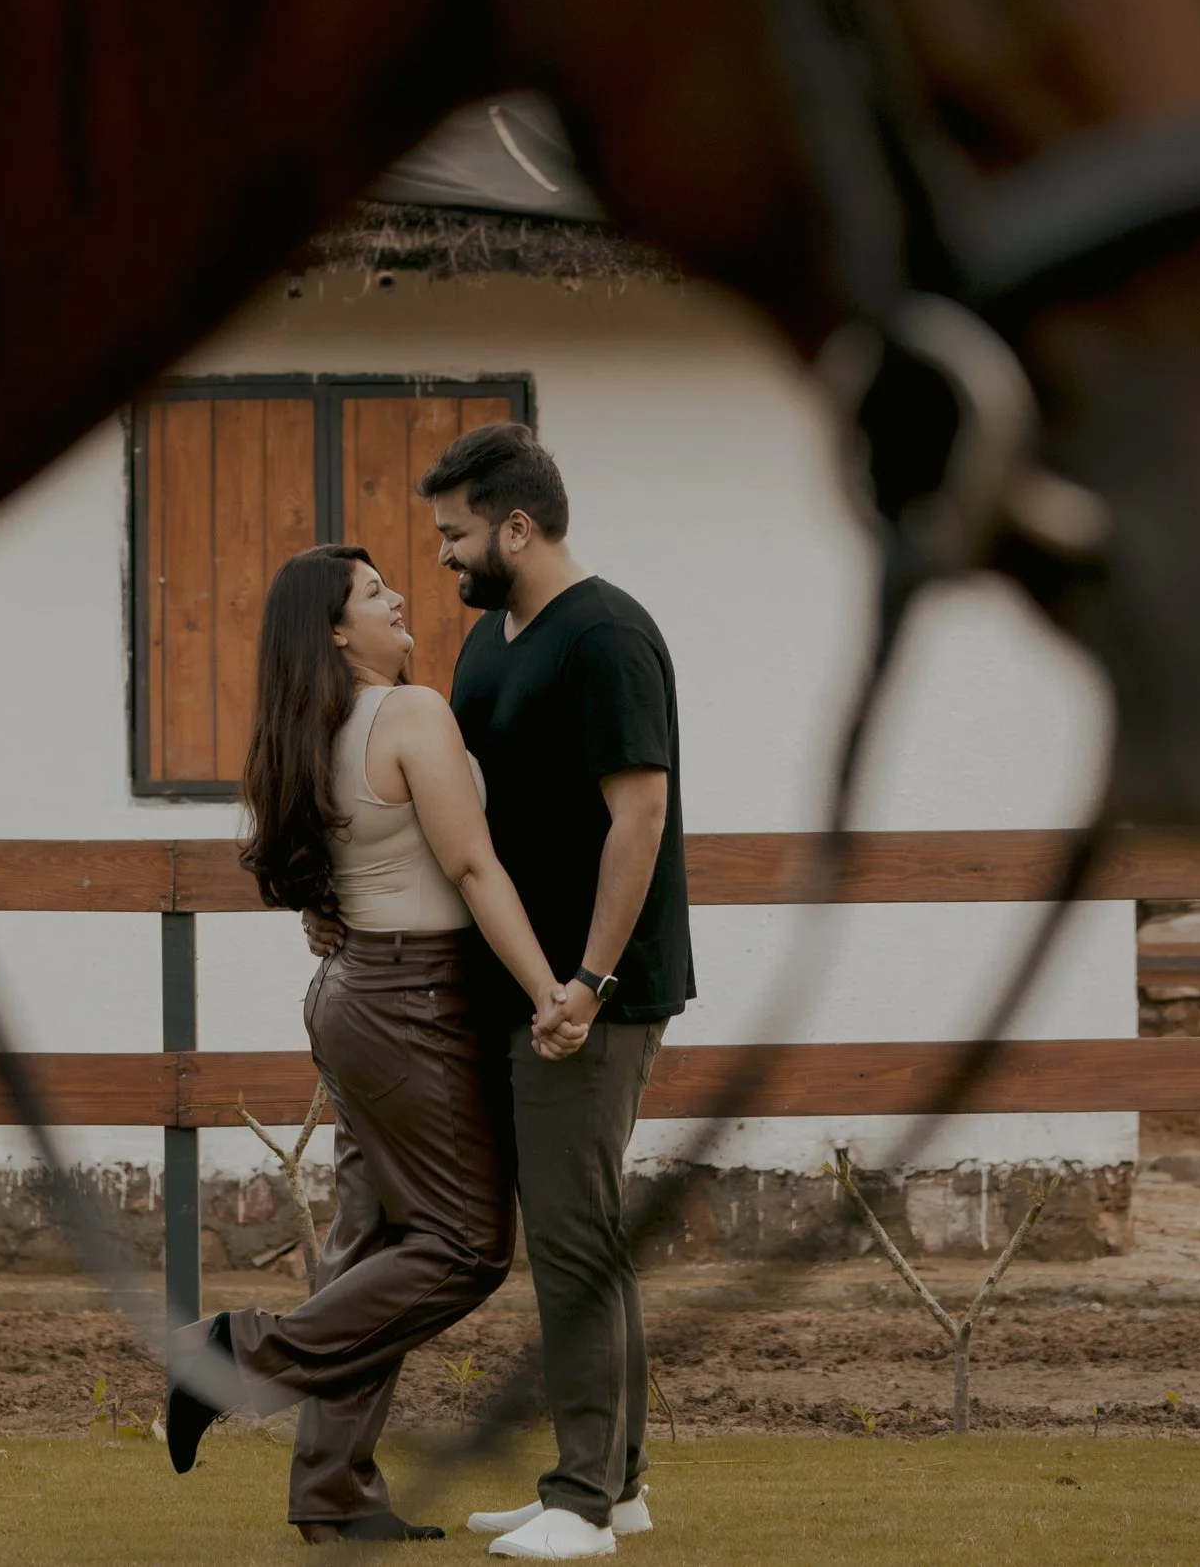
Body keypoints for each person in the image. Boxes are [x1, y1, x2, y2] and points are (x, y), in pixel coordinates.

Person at [164, 543, 570, 1544]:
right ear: (337, 632)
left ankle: (333, 1491)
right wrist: (546, 989)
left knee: (372, 1247)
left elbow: (326, 872)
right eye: (373, 593)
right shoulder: (410, 712)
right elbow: (470, 865)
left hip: (353, 997)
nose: (397, 600)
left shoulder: (307, 732)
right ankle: (233, 1355)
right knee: (467, 1247)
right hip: (413, 1000)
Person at [419, 423, 694, 1563]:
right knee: (581, 1232)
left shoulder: (607, 634)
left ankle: (581, 1501)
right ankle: (615, 1488)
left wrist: (587, 980)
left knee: (576, 1239)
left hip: (596, 996)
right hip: (532, 990)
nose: (443, 554)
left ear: (517, 527)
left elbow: (640, 814)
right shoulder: (488, 645)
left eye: (456, 532)